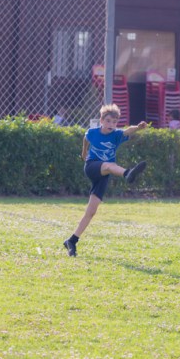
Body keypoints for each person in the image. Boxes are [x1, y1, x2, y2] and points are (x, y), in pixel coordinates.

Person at [63, 104, 148, 257]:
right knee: (110, 165)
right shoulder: (93, 132)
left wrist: (138, 127)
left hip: (104, 174)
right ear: (101, 120)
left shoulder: (116, 135)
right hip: (92, 167)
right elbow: (85, 139)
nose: (111, 125)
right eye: (108, 121)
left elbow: (127, 130)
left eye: (114, 122)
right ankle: (128, 173)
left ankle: (72, 241)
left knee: (91, 212)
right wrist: (83, 155)